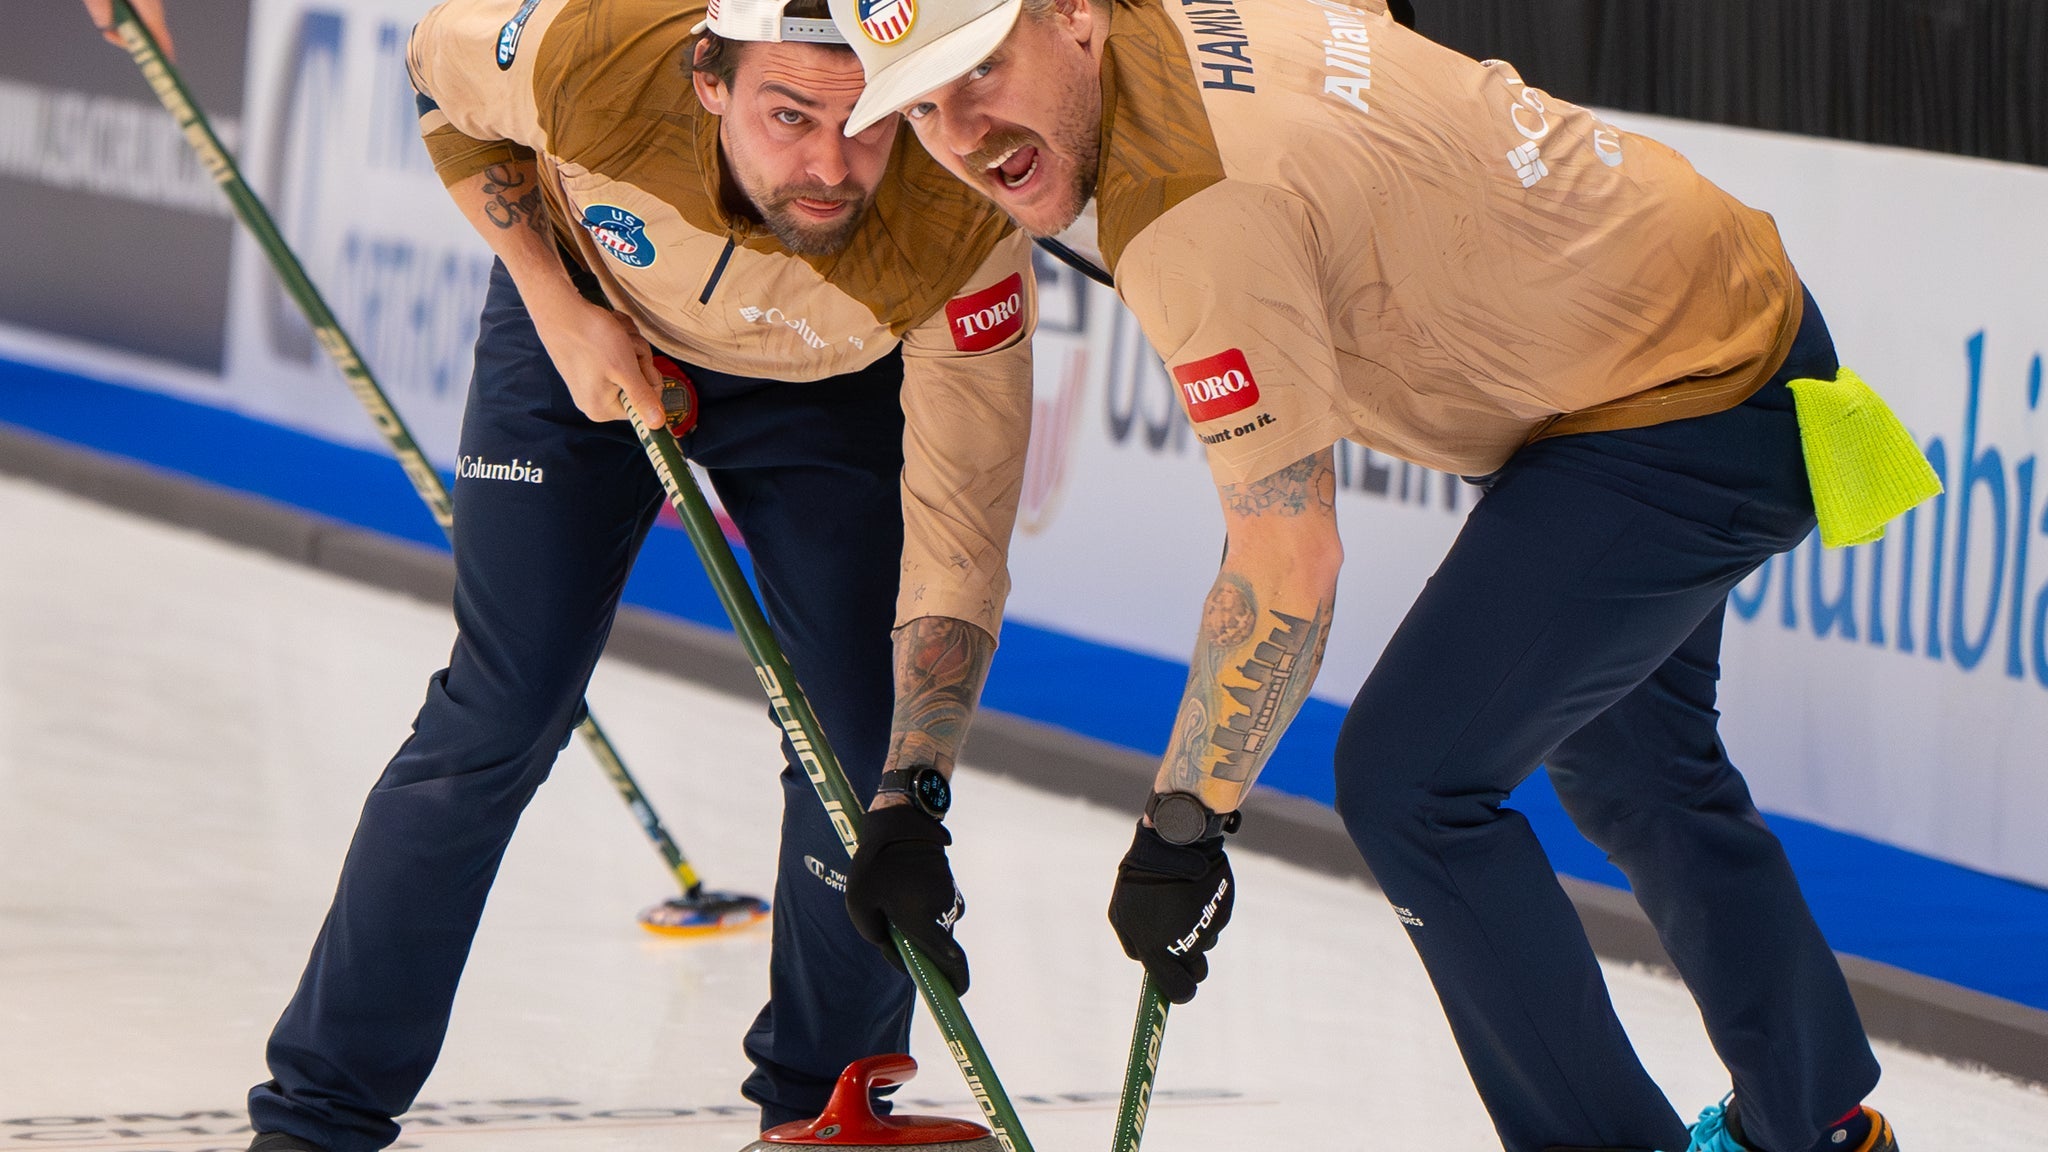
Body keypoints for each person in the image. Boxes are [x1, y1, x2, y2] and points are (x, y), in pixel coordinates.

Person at [825, 1, 1925, 1150]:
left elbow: (1285, 558)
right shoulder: (1155, 46)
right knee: (1634, 765)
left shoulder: (1194, 214)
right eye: (919, 102)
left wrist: (1183, 827)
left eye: (983, 68)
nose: (957, 131)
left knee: (1412, 784)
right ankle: (1814, 1124)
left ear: (1073, 18)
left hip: (1678, 394)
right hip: (1682, 307)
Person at [243, 1, 1036, 1149]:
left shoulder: (960, 218)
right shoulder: (598, 49)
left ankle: (828, 1103)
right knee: (499, 712)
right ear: (707, 78)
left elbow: (963, 549)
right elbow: (441, 82)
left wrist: (913, 793)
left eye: (866, 120)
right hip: (587, 324)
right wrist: (556, 310)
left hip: (826, 385)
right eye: (787, 114)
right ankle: (316, 1119)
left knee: (858, 751)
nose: (828, 165)